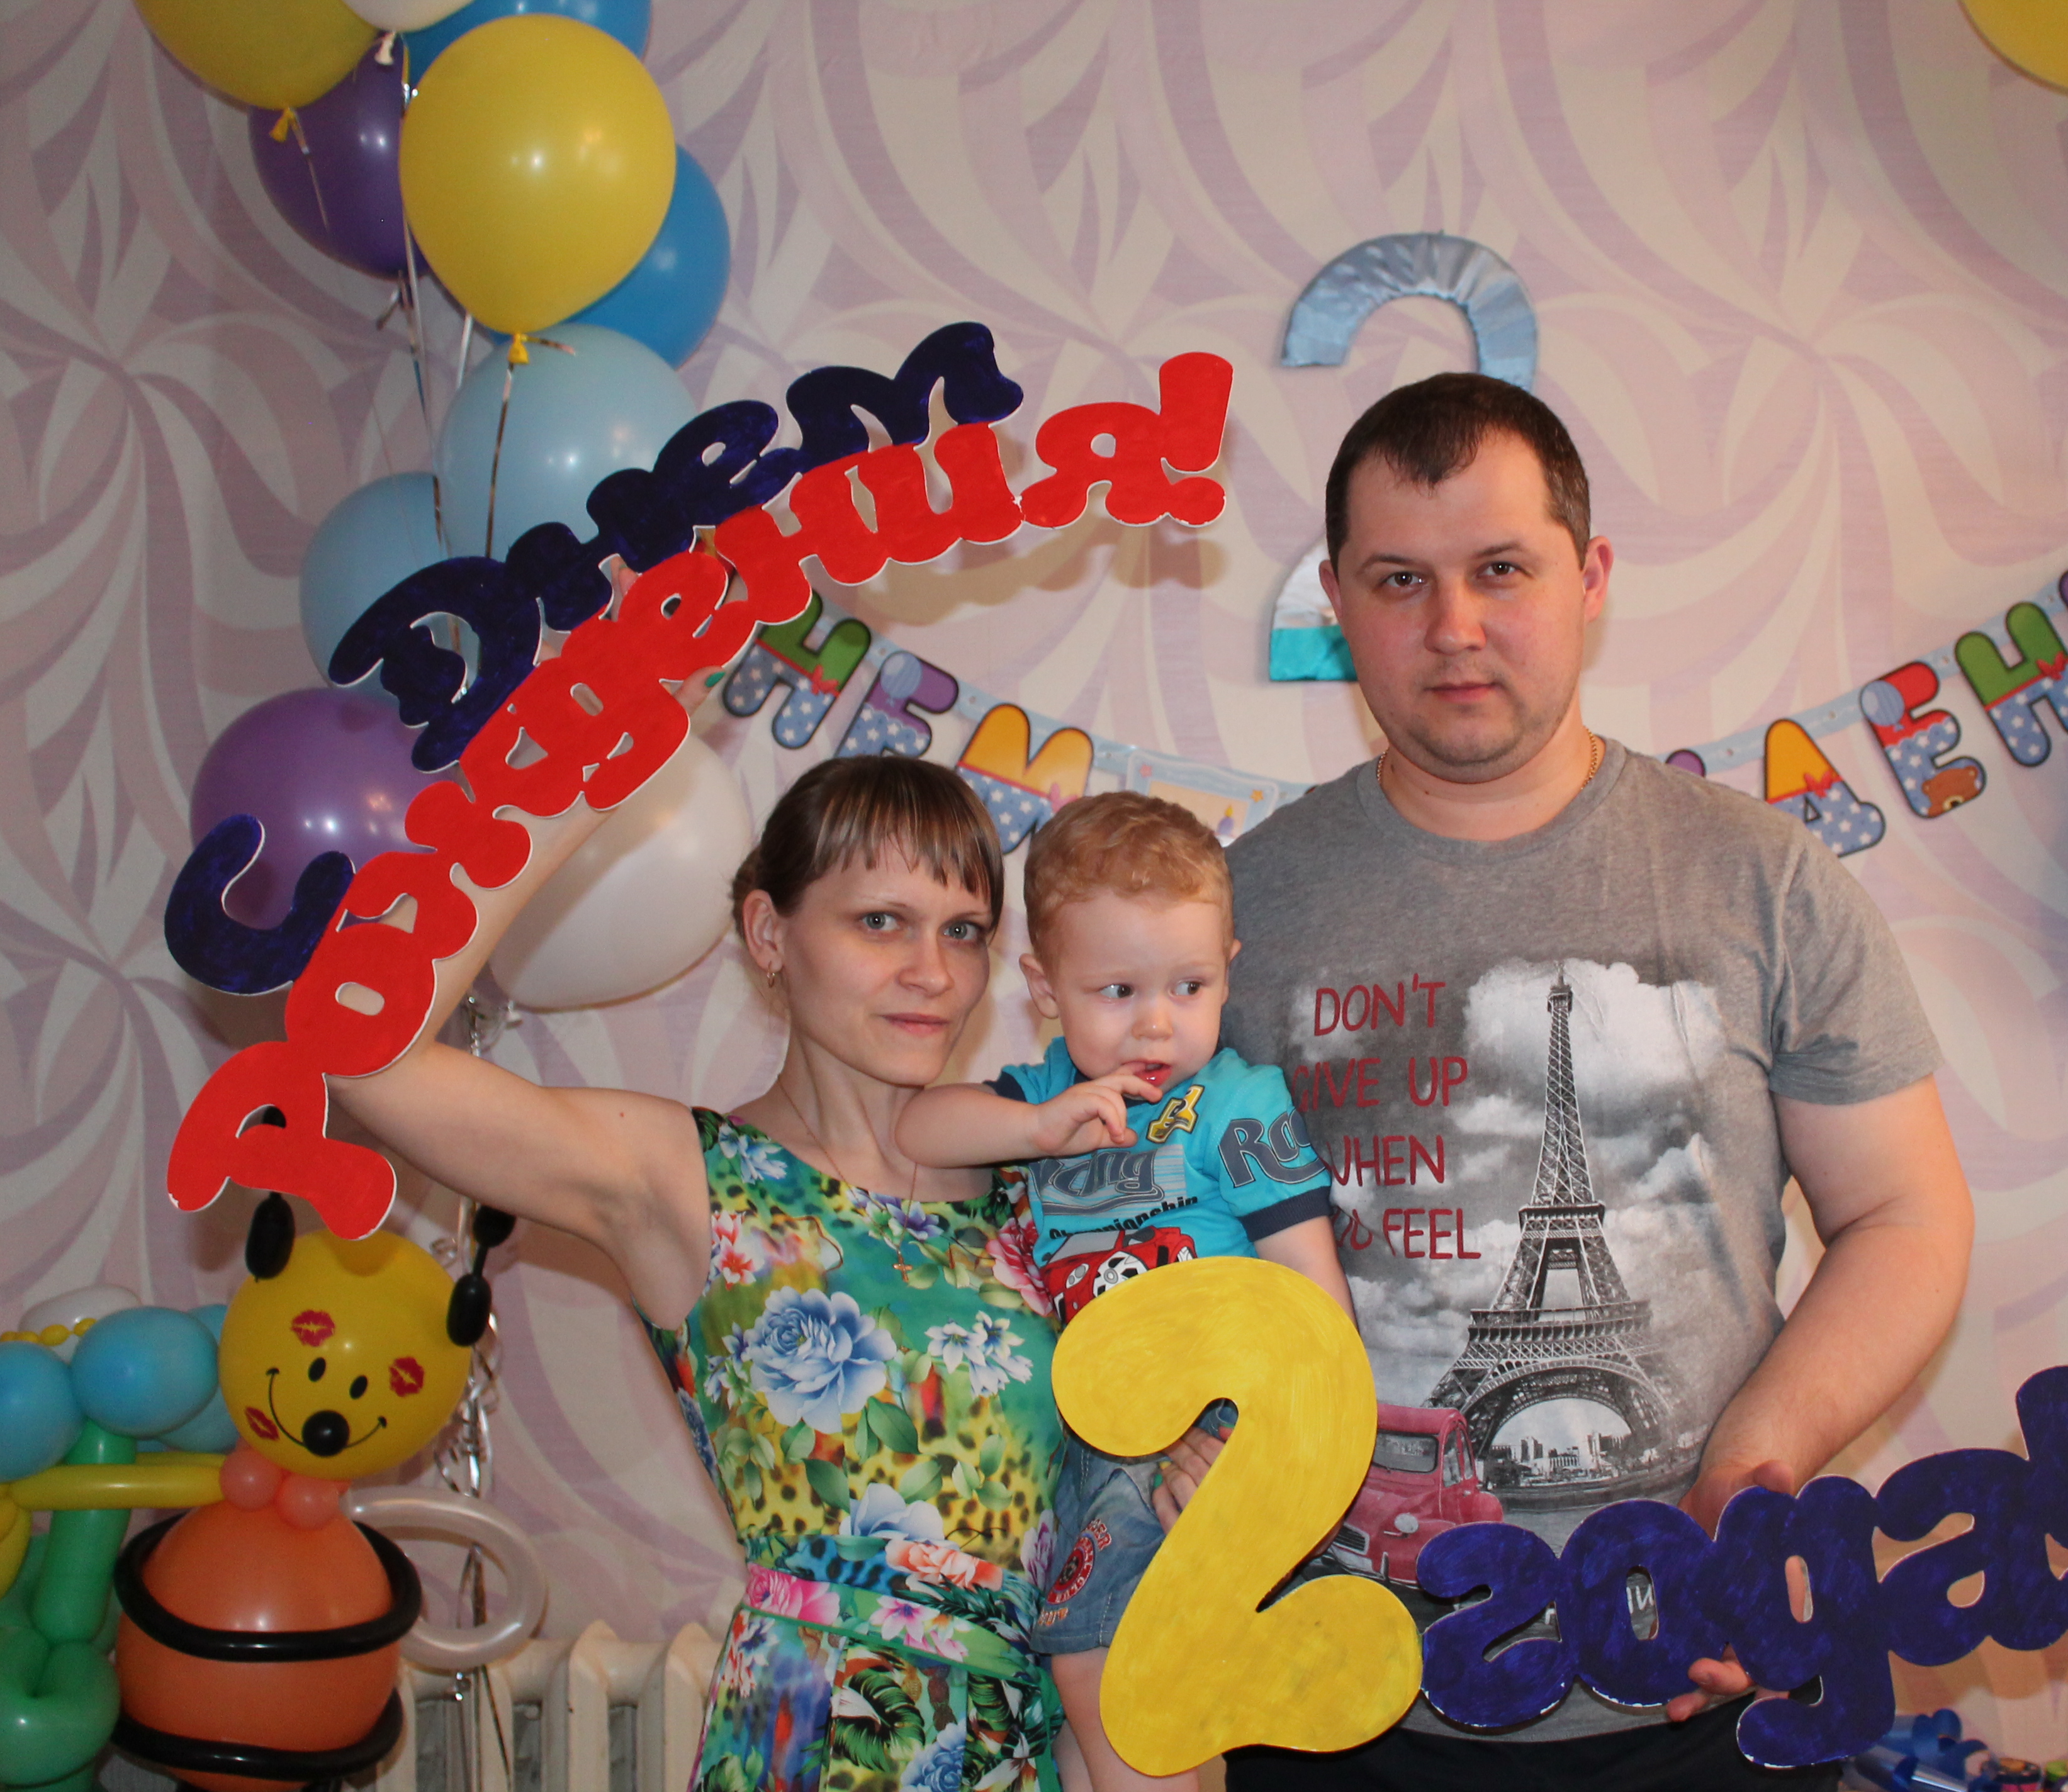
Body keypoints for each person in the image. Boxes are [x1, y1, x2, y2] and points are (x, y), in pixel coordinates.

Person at [1206, 372, 1977, 1791]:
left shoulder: (1766, 877)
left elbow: (1905, 1216)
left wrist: (1754, 1474)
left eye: (1502, 568)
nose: (1454, 625)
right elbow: (1164, 1253)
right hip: (1336, 1697)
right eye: (1399, 579)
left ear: (1591, 575)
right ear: (1336, 599)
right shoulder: (1231, 915)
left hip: (1702, 1687)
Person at [327, 753, 1070, 1792]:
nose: (933, 972)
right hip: (813, 1746)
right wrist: (582, 767)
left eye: (963, 931)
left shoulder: (1042, 1177)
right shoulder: (684, 1177)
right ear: (770, 934)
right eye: (880, 922)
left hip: (1040, 1746)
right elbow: (363, 1044)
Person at [899, 791, 1353, 1792]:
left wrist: (1273, 1447)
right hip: (1087, 1434)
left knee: (1095, 1658)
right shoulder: (1045, 1095)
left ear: (1229, 967)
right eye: (1117, 991)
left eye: (1190, 986)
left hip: (1199, 1433)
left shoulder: (1236, 1104)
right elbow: (918, 1129)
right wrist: (1040, 1126)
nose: (1156, 1021)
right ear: (1044, 987)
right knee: (1103, 1707)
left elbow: (1312, 1299)